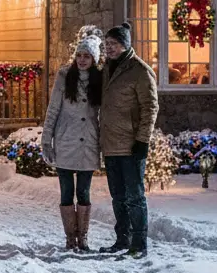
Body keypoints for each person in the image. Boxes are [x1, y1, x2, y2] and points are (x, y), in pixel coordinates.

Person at [98, 22, 159, 258]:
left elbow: (150, 107)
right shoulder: (107, 69)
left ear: (125, 45)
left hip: (131, 145)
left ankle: (139, 244)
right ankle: (122, 239)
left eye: (114, 44)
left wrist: (142, 140)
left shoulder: (140, 71)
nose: (109, 48)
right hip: (111, 145)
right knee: (118, 197)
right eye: (107, 44)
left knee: (135, 197)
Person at [42, 28, 102, 252]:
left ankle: (83, 237)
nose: (82, 60)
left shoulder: (99, 79)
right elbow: (53, 109)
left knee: (84, 192)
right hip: (66, 140)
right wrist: (46, 139)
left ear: (94, 59)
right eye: (79, 55)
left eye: (87, 56)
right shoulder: (65, 76)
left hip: (88, 141)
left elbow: (103, 114)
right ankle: (70, 237)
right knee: (67, 191)